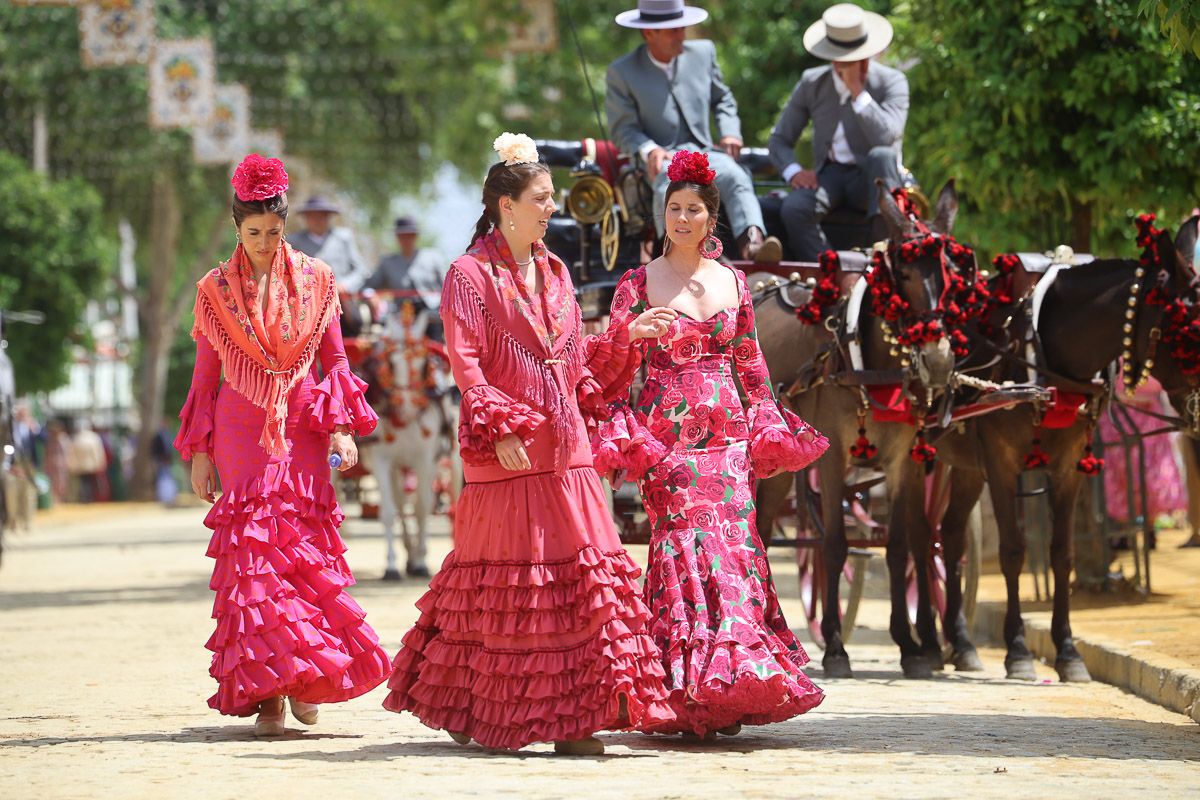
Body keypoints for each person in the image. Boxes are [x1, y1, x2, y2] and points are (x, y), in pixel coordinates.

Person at [382, 133, 675, 755]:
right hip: (509, 455)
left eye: (551, 199)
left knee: (583, 580)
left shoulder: (557, 269)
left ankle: (578, 718)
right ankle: (477, 705)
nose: (551, 208)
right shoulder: (468, 274)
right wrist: (502, 425)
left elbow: (571, 362)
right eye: (541, 199)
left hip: (567, 454)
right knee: (510, 589)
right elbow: (466, 364)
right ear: (504, 207)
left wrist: (629, 333)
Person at [594, 150, 828, 737]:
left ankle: (735, 683)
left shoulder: (735, 283)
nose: (681, 218)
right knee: (683, 549)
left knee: (735, 549)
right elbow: (605, 368)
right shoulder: (636, 284)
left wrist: (766, 425)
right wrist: (630, 334)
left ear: (710, 218)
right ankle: (684, 689)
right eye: (672, 209)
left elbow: (751, 366)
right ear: (663, 216)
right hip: (666, 440)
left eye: (692, 209)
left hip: (730, 441)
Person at [175, 154, 390, 737]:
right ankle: (268, 692)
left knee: (301, 551)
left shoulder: (319, 281)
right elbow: (203, 375)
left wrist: (343, 427)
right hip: (240, 428)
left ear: (284, 224)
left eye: (274, 231)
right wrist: (200, 451)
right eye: (254, 233)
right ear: (236, 228)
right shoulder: (213, 290)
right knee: (254, 557)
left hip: (302, 424)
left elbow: (336, 360)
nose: (265, 243)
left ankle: (307, 677)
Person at [606, 0, 782, 262]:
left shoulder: (703, 53)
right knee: (671, 185)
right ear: (648, 33)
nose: (681, 35)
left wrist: (730, 131)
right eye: (672, 30)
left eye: (682, 27)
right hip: (663, 158)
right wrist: (648, 149)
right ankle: (678, 256)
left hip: (706, 153)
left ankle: (754, 247)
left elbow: (723, 99)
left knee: (735, 176)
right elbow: (623, 129)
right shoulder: (622, 71)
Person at [767, 2, 909, 261]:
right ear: (833, 58)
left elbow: (888, 137)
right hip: (830, 176)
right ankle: (832, 270)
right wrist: (794, 171)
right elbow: (779, 140)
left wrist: (858, 92)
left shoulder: (892, 81)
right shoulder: (813, 83)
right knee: (794, 208)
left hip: (873, 178)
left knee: (882, 156)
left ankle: (883, 259)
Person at [364, 215, 449, 339]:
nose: (406, 239)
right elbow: (367, 286)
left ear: (416, 236)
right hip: (400, 316)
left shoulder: (433, 258)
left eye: (410, 235)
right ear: (397, 237)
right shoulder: (388, 263)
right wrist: (371, 296)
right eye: (402, 236)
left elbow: (447, 288)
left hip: (432, 315)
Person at [288, 194, 370, 291]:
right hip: (308, 298)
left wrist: (345, 285)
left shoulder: (343, 238)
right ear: (306, 218)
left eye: (321, 216)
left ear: (328, 217)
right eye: (312, 216)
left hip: (342, 298)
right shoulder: (293, 242)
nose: (317, 220)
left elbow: (360, 270)